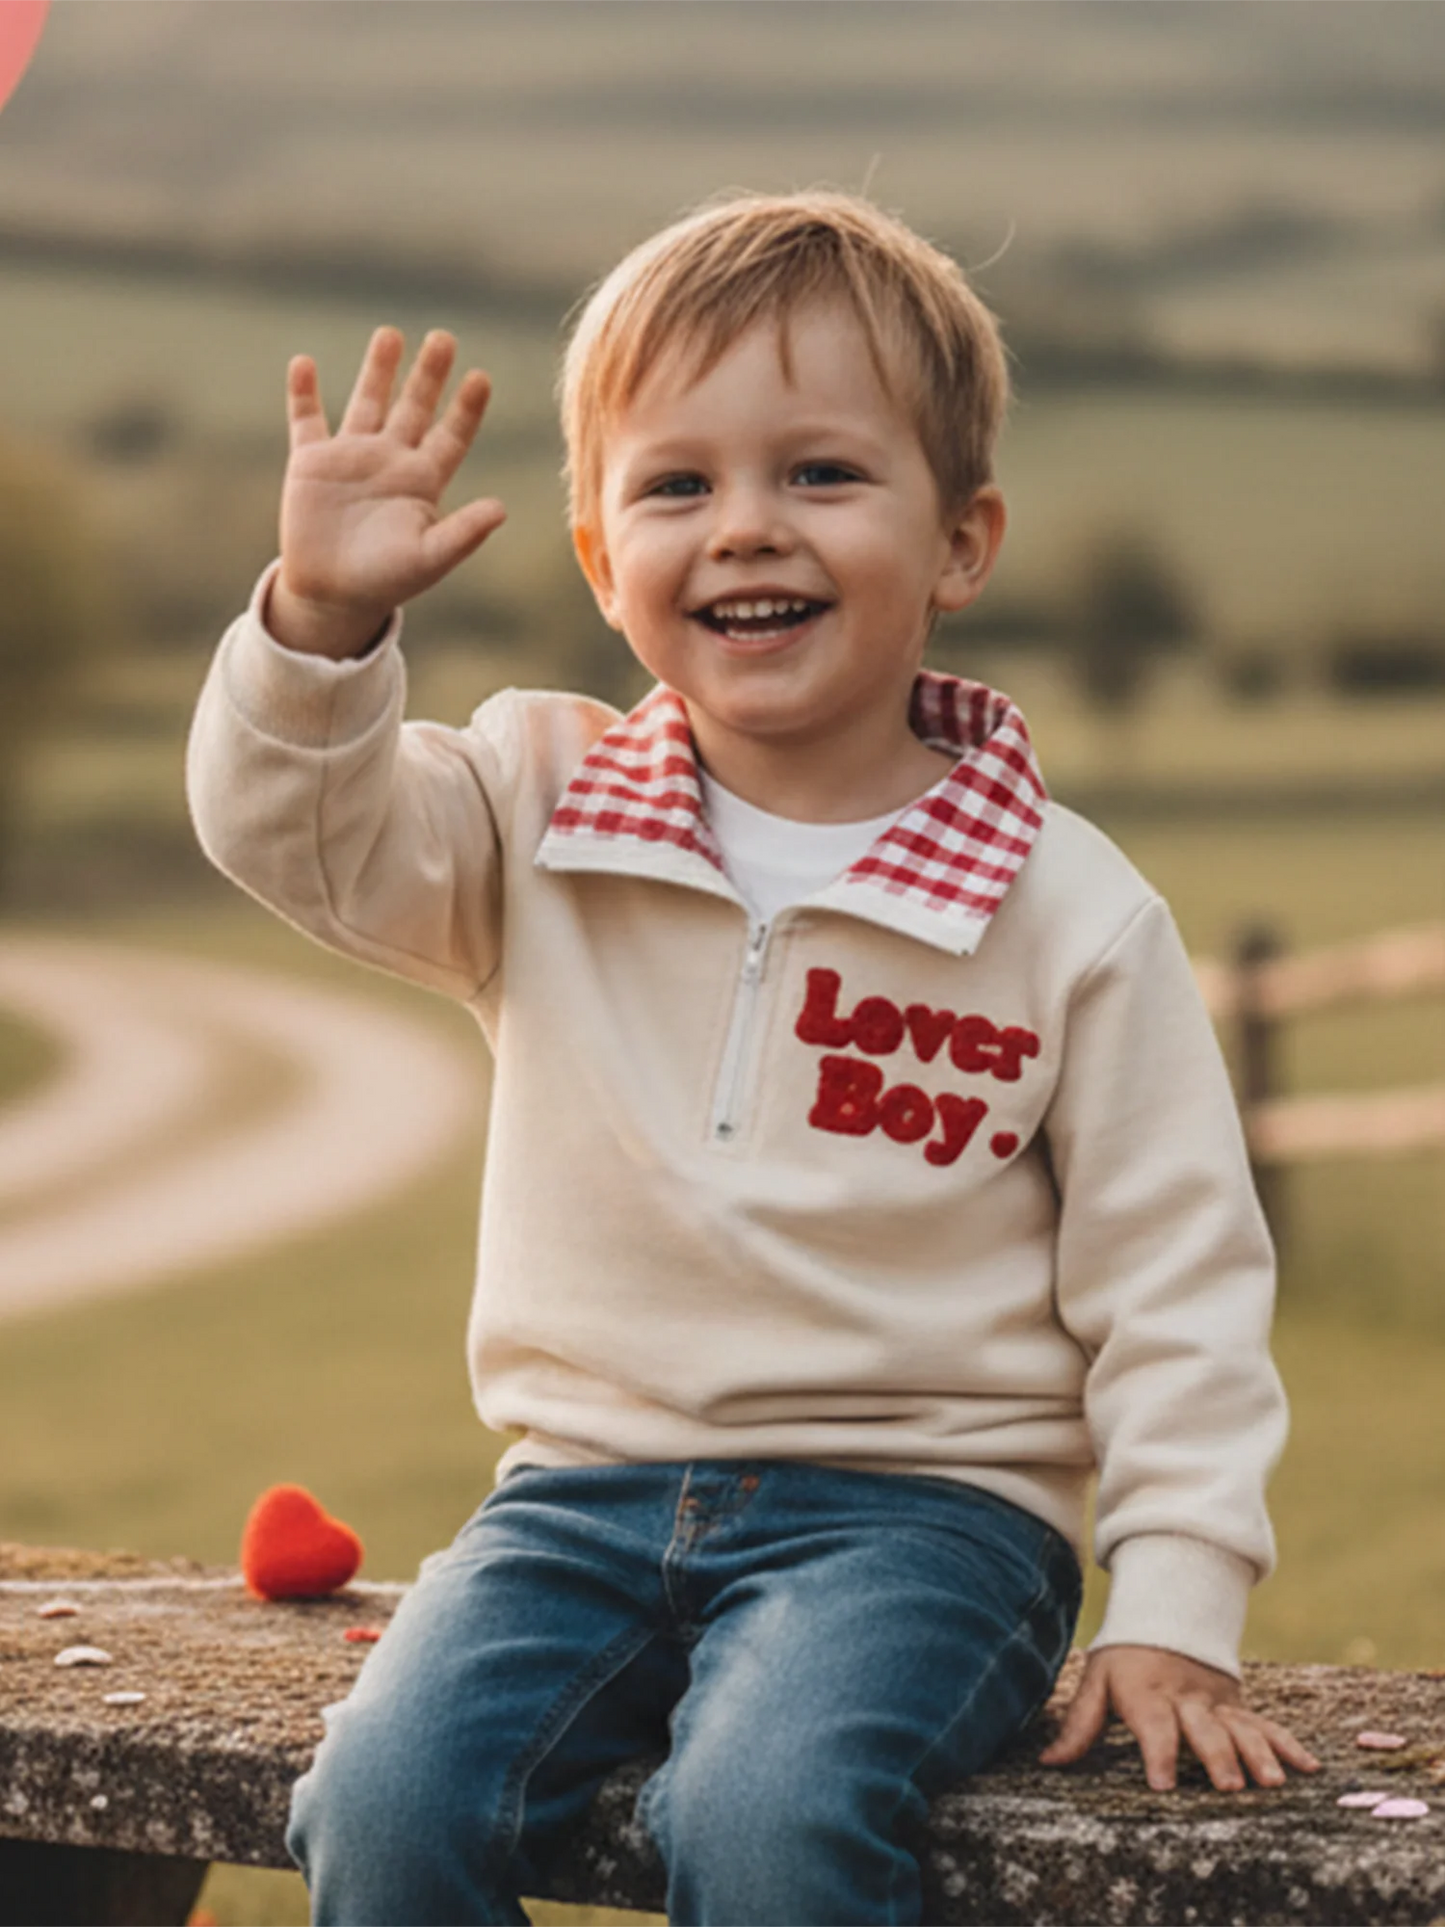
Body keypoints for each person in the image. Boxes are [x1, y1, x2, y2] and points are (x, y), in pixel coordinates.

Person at [186, 189, 1320, 1926]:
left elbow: (1176, 1282)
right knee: (385, 1799)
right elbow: (305, 839)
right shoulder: (534, 808)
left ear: (961, 541)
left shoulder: (1067, 910)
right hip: (571, 1505)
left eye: (822, 474)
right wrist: (320, 629)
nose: (745, 530)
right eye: (678, 485)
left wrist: (1173, 1599)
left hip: (927, 1525)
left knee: (772, 1809)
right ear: (598, 558)